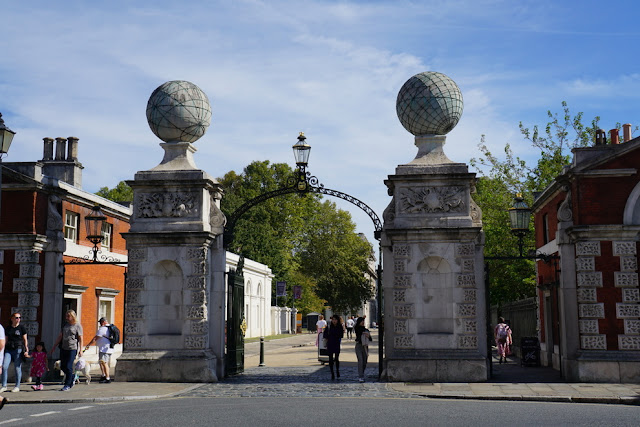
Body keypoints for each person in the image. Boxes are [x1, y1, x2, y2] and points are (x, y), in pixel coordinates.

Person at [51, 310, 84, 391]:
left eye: (68, 316)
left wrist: (81, 350)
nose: (67, 318)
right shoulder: (65, 325)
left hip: (72, 348)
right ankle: (72, 377)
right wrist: (54, 346)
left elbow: (80, 338)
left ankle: (67, 384)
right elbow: (60, 336)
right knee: (63, 366)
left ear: (73, 317)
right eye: (66, 316)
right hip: (63, 347)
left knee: (69, 366)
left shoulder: (77, 326)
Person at [1, 312, 29, 393]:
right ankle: (4, 385)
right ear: (12, 318)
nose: (18, 319)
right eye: (16, 318)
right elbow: (5, 340)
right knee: (4, 366)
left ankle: (17, 386)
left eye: (19, 318)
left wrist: (26, 349)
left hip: (18, 349)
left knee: (17, 367)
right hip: (9, 349)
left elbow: (25, 339)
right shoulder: (8, 328)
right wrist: (2, 349)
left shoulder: (21, 328)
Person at [85, 317, 113, 383]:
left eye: (100, 322)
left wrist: (88, 345)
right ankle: (103, 375)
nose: (100, 324)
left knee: (104, 363)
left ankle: (107, 378)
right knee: (102, 362)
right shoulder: (110, 328)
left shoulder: (103, 329)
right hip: (108, 348)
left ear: (103, 322)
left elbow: (95, 338)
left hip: (104, 349)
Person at [323, 315, 344, 380]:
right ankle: (332, 373)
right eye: (333, 319)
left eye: (335, 320)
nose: (334, 321)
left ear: (338, 320)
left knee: (337, 358)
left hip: (337, 343)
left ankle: (337, 370)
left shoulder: (340, 326)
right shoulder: (329, 326)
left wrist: (336, 335)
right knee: (330, 359)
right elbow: (325, 335)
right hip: (330, 344)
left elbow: (341, 335)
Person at [354, 317, 372, 382]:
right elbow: (358, 332)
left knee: (364, 361)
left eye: (363, 321)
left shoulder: (366, 330)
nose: (363, 322)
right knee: (360, 360)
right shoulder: (357, 328)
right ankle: (360, 376)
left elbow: (370, 339)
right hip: (359, 345)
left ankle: (362, 373)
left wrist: (368, 336)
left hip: (365, 347)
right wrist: (364, 333)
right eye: (361, 321)